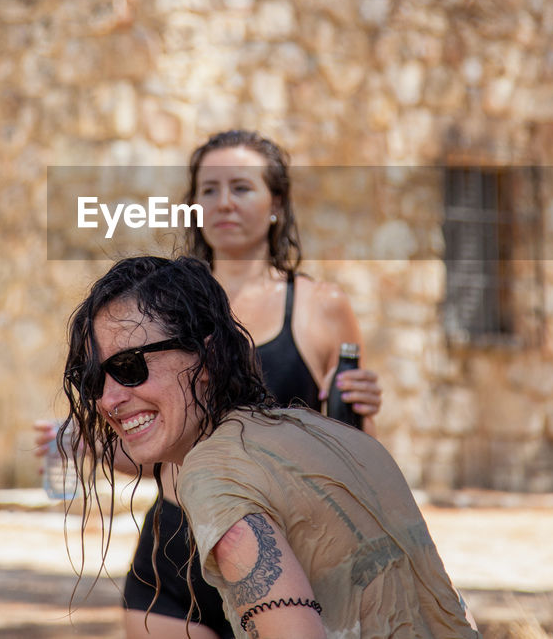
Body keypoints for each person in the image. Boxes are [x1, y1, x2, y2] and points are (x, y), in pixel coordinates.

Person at [61, 255, 480, 639]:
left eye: (130, 367)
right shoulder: (316, 431)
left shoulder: (214, 473)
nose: (108, 399)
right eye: (93, 379)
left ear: (204, 359)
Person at [120, 129, 383, 639]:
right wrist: (85, 444)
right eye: (209, 189)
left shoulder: (321, 306)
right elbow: (144, 447)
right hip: (174, 550)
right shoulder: (158, 310)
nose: (223, 203)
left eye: (241, 188)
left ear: (276, 203)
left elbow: (354, 452)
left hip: (285, 555)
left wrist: (363, 408)